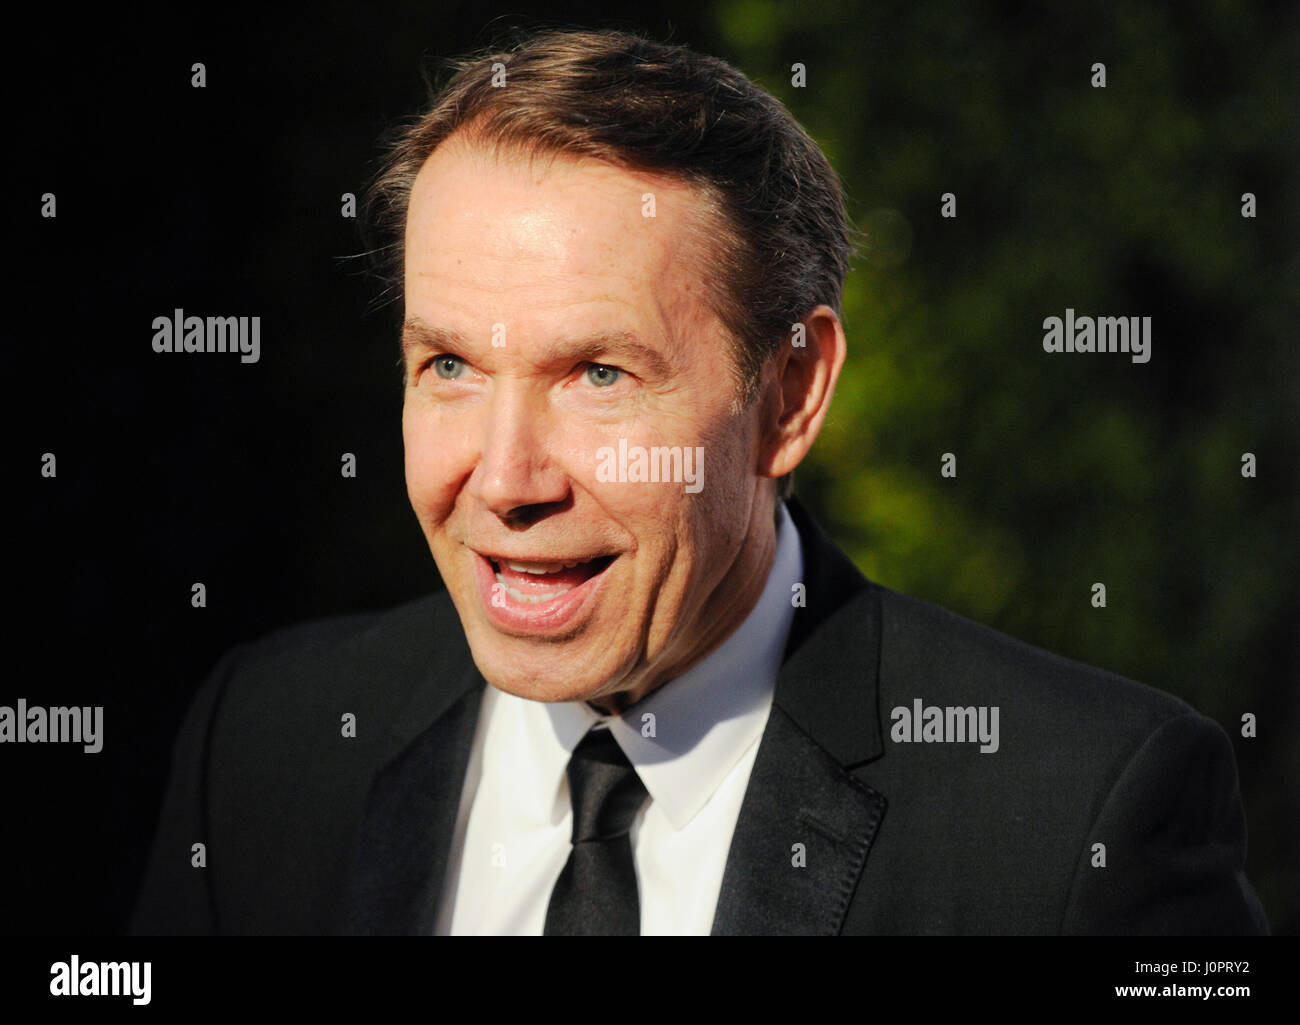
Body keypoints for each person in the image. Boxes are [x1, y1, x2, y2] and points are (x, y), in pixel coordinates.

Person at [130, 27, 1269, 935]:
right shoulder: (266, 739)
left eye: (599, 372)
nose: (506, 479)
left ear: (790, 392)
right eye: (449, 366)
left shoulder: (1076, 820)